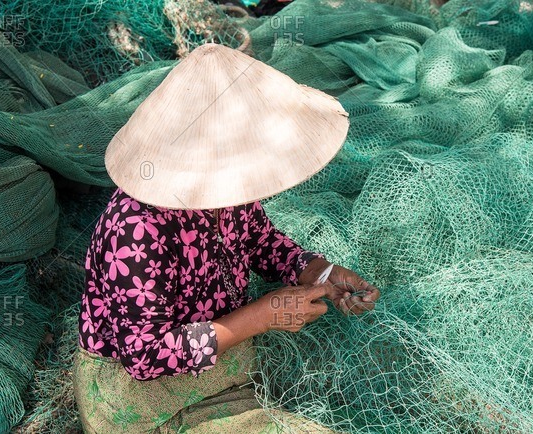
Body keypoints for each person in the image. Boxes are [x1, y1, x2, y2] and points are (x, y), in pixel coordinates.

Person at [73, 43, 380, 434]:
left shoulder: (227, 192)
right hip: (139, 397)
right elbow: (144, 356)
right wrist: (265, 315)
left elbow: (261, 241)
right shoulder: (136, 231)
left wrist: (322, 274)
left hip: (221, 357)